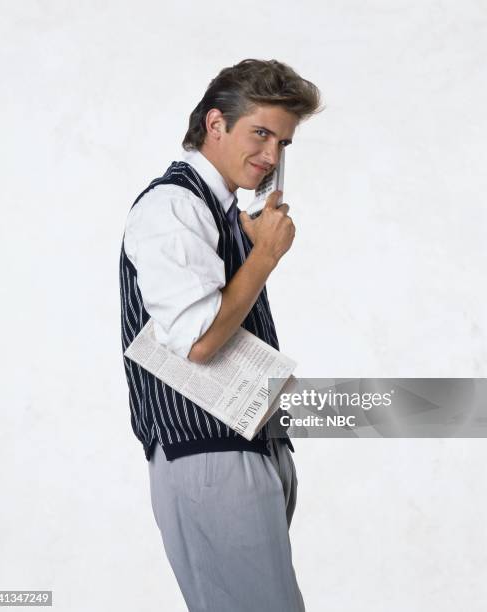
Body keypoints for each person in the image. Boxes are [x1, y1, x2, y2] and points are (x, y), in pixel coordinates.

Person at [119, 58, 321, 612]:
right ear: (215, 124)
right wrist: (264, 256)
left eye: (282, 143)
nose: (271, 157)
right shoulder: (172, 206)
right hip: (206, 452)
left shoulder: (222, 210)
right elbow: (200, 342)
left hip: (245, 444)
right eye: (261, 134)